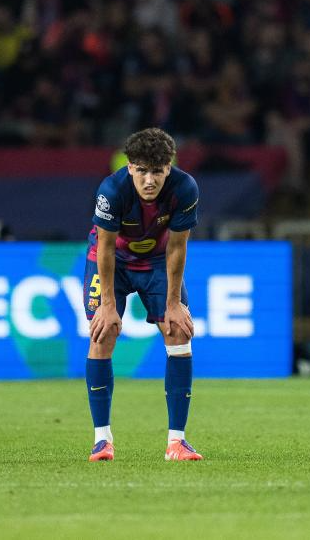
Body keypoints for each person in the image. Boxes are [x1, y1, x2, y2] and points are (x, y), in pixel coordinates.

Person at [84, 127, 202, 462]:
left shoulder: (185, 188)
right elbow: (105, 248)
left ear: (169, 168)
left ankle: (177, 442)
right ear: (130, 167)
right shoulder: (111, 190)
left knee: (178, 330)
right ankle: (102, 441)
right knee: (103, 332)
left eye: (157, 172)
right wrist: (108, 305)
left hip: (156, 262)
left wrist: (173, 304)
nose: (149, 181)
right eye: (142, 171)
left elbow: (177, 247)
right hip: (114, 261)